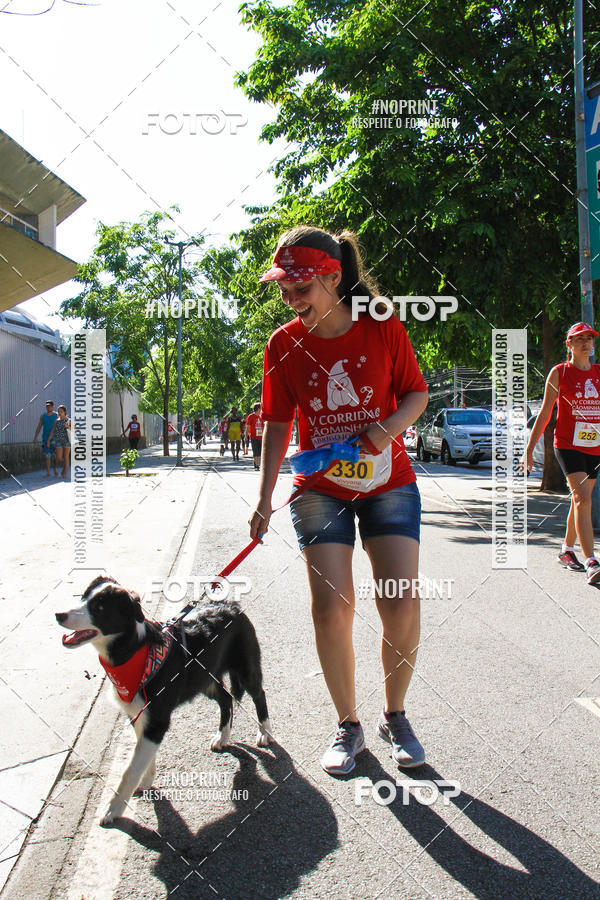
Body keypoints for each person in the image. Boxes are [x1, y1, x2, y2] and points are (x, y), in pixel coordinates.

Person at [248, 225, 429, 775]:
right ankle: (348, 725)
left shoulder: (381, 326)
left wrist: (387, 428)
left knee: (398, 602)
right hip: (320, 490)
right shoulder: (282, 344)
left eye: (299, 286)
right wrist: (262, 500)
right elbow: (278, 424)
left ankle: (394, 715)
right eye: (283, 288)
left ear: (332, 276)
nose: (290, 298)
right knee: (332, 609)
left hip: (387, 481)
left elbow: (416, 392)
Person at [524, 321, 600, 585]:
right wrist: (529, 449)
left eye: (589, 339)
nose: (586, 343)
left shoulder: (599, 373)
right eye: (580, 339)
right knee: (582, 498)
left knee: (582, 499)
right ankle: (591, 560)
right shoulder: (560, 373)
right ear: (569, 344)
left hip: (595, 446)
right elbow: (545, 413)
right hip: (568, 445)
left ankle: (566, 550)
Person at [33, 400, 58, 477]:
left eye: (50, 406)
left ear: (53, 406)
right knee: (47, 455)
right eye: (47, 406)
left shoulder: (57, 415)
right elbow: (39, 426)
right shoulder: (43, 416)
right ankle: (48, 472)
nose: (48, 407)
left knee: (55, 455)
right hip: (45, 438)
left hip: (55, 438)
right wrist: (35, 437)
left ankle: (55, 469)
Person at [47, 404, 71, 478]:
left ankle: (65, 472)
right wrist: (48, 440)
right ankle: (65, 466)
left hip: (67, 440)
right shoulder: (56, 421)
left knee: (66, 456)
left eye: (61, 411)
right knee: (59, 457)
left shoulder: (68, 420)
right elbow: (52, 431)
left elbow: (75, 430)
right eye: (58, 411)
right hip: (58, 441)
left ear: (64, 412)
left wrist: (68, 427)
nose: (59, 413)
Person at [245, 402, 264, 470]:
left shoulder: (261, 417)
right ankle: (256, 465)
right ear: (258, 409)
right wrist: (246, 436)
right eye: (261, 408)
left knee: (260, 452)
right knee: (255, 451)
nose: (262, 409)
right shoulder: (251, 416)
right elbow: (247, 427)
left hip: (261, 437)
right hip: (253, 437)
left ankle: (256, 463)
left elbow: (263, 427)